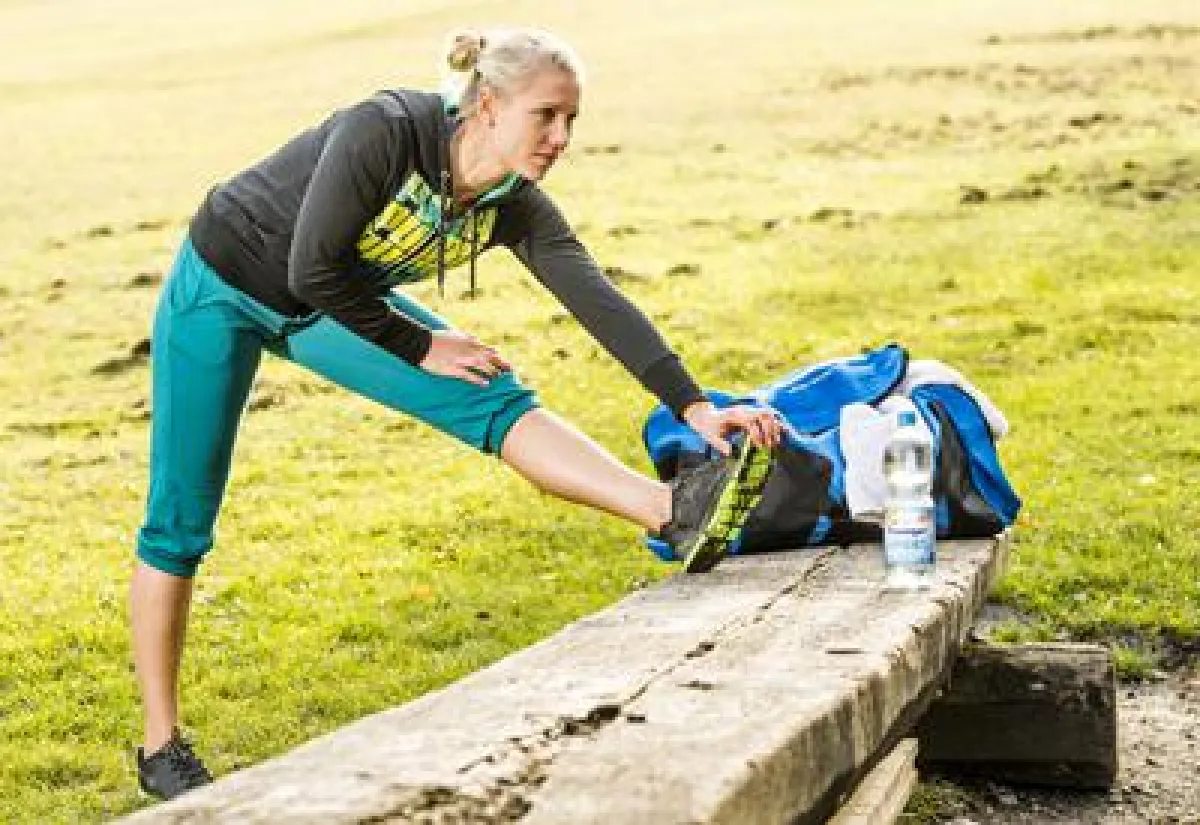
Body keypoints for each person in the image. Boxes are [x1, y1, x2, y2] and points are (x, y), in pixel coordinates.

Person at [130, 27, 782, 800]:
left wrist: (695, 404)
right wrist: (420, 343)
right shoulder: (387, 130)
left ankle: (671, 509)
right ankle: (161, 746)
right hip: (224, 280)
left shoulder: (513, 204)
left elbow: (595, 296)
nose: (562, 136)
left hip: (326, 306)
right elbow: (312, 262)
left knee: (492, 393)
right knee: (180, 518)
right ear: (487, 103)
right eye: (547, 115)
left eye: (572, 119)